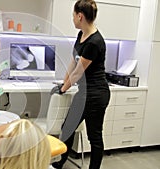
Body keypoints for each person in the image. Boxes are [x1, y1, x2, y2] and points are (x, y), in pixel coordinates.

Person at [51, 0, 110, 169]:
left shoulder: (94, 42)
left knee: (94, 136)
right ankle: (59, 163)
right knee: (67, 128)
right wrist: (63, 83)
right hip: (85, 92)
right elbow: (73, 62)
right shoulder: (81, 35)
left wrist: (64, 88)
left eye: (73, 15)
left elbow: (78, 72)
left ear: (80, 16)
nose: (72, 18)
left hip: (96, 94)